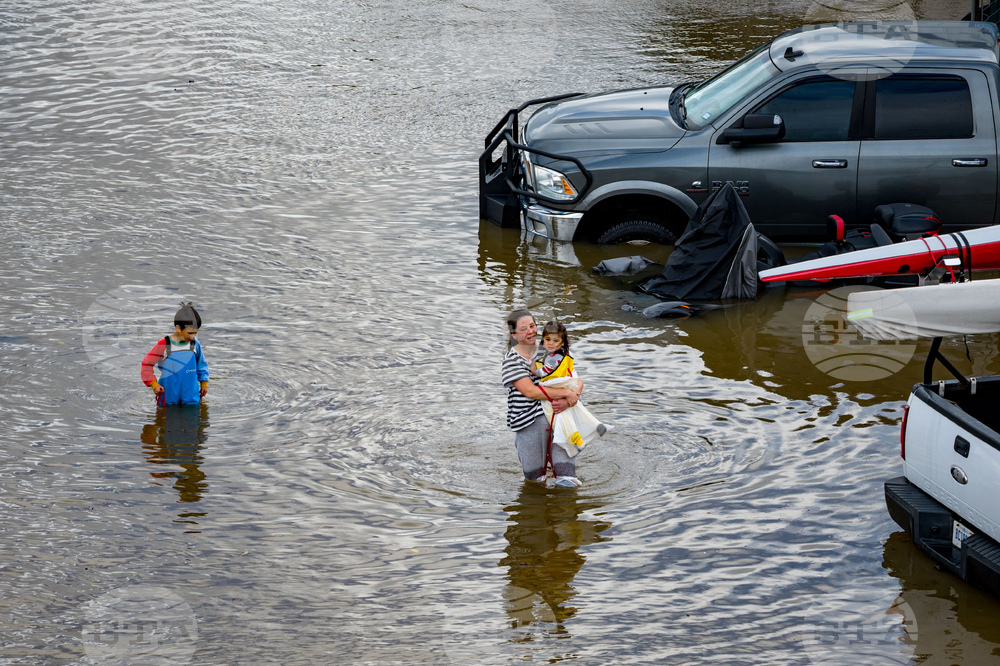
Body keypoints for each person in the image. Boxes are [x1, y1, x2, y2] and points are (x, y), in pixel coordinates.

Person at [502, 309, 582, 488]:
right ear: (514, 334)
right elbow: (530, 391)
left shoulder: (549, 348)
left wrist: (572, 397)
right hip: (528, 423)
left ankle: (566, 514)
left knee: (567, 479)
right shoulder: (511, 361)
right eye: (524, 328)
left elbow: (576, 380)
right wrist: (565, 394)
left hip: (559, 419)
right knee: (534, 481)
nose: (531, 331)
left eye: (532, 326)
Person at [534, 320, 607, 456]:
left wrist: (533, 369)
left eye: (554, 340)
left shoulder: (552, 358)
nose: (550, 343)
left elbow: (542, 372)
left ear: (562, 342)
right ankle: (595, 424)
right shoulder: (567, 354)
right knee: (576, 407)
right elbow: (575, 375)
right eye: (547, 339)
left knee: (555, 414)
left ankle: (574, 439)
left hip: (555, 386)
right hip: (568, 384)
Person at [141, 302, 209, 406]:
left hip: (191, 395)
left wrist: (204, 383)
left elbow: (201, 364)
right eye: (190, 332)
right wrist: (154, 384)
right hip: (168, 395)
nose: (193, 336)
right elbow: (147, 364)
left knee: (193, 420)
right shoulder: (164, 344)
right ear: (178, 328)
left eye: (196, 332)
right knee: (165, 420)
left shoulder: (194, 344)